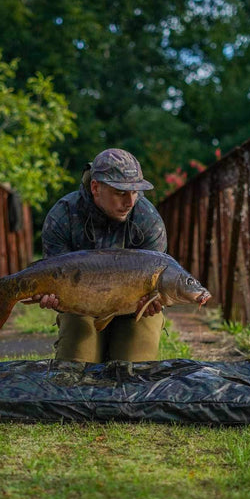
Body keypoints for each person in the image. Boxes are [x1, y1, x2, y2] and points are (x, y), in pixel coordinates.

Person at [33, 148, 168, 362]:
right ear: (96, 187)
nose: (130, 202)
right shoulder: (63, 215)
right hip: (82, 307)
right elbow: (52, 276)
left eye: (135, 191)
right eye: (120, 192)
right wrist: (53, 296)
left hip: (134, 311)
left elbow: (157, 281)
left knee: (133, 373)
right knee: (76, 369)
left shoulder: (148, 221)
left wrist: (155, 300)